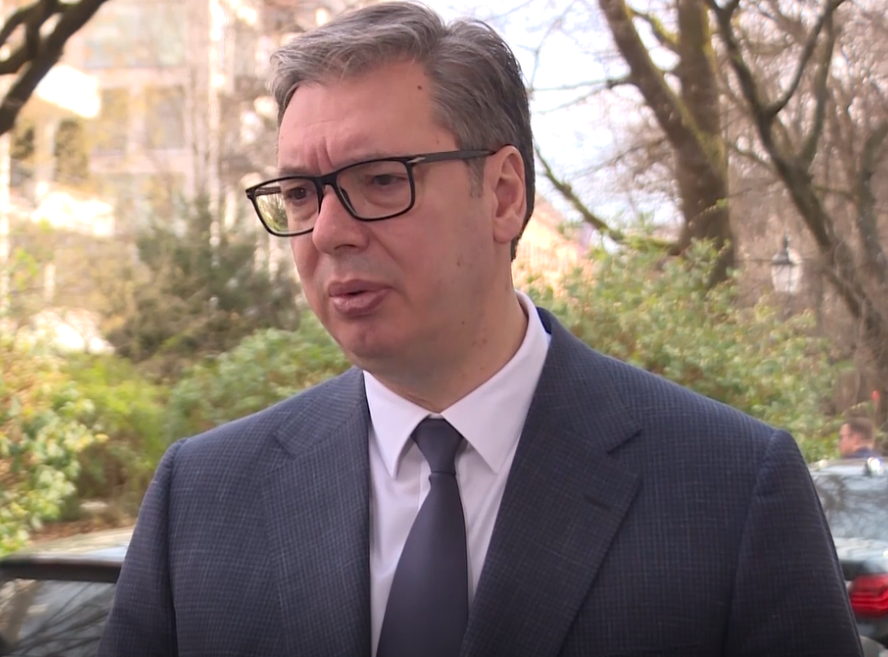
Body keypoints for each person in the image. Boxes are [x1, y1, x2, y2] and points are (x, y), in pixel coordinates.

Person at [98, 3, 862, 656]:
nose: (327, 230)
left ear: (502, 194)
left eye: (380, 181)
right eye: (301, 193)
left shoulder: (731, 488)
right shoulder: (200, 498)